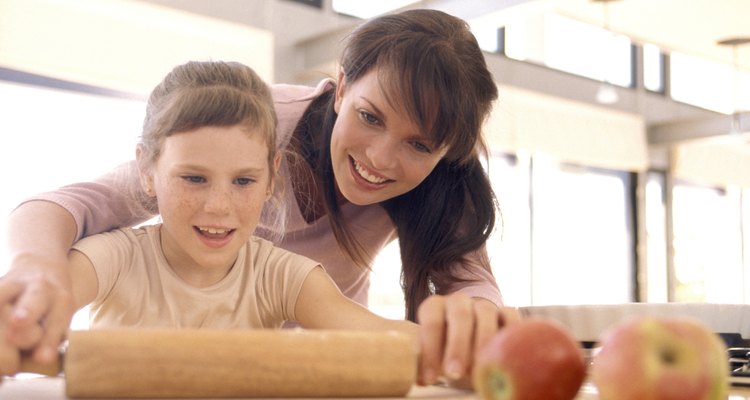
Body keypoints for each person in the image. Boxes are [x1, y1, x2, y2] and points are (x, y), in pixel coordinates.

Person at [0, 9, 518, 385]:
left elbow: (470, 286)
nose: (381, 158)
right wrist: (37, 270)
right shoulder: (253, 124)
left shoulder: (294, 274)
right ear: (341, 88)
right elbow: (77, 204)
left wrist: (472, 324)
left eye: (419, 144)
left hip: (311, 369)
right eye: (369, 116)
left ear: (447, 150)